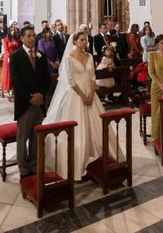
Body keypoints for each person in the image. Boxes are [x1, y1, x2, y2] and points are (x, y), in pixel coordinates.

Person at [43, 31, 121, 180]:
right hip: (76, 94)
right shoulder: (69, 57)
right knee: (77, 128)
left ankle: (97, 157)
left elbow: (92, 77)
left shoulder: (90, 56)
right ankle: (78, 162)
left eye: (86, 40)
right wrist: (83, 95)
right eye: (81, 40)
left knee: (97, 125)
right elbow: (71, 80)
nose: (85, 42)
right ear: (75, 41)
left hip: (91, 94)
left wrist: (91, 94)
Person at [9, 25, 50, 178]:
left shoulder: (41, 55)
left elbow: (46, 78)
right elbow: (16, 81)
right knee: (23, 138)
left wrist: (40, 95)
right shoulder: (15, 56)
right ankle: (24, 169)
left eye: (33, 35)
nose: (32, 38)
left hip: (39, 103)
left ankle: (34, 165)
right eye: (28, 36)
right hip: (25, 104)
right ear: (21, 38)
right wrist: (30, 97)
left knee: (36, 137)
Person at [1, 25, 21, 94]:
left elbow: (19, 48)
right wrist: (11, 56)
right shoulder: (5, 39)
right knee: (8, 72)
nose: (13, 31)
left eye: (14, 30)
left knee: (15, 72)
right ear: (9, 31)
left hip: (16, 57)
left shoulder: (17, 39)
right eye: (11, 30)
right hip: (8, 57)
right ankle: (6, 87)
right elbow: (6, 49)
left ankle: (13, 87)